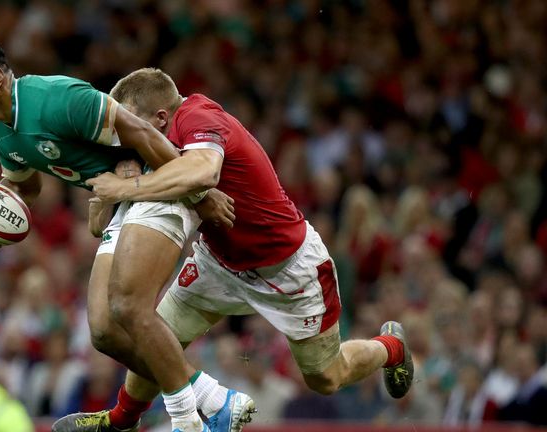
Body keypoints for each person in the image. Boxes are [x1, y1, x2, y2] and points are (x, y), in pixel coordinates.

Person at [53, 68, 414, 432]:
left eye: (131, 123)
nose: (126, 136)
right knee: (154, 338)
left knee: (326, 377)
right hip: (217, 262)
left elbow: (203, 171)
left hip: (288, 269)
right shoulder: (151, 143)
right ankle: (120, 422)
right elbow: (102, 219)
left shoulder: (198, 117)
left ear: (161, 117)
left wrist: (126, 189)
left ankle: (390, 347)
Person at [0, 34, 251, 432]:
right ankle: (212, 399)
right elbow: (25, 188)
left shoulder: (56, 98)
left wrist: (200, 194)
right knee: (103, 331)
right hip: (120, 200)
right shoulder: (1, 133)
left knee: (127, 307)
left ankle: (191, 420)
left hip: (156, 180)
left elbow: (140, 131)